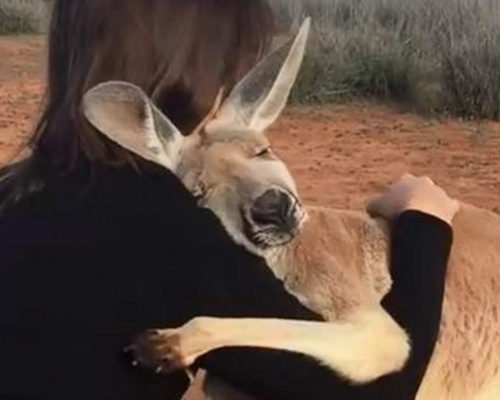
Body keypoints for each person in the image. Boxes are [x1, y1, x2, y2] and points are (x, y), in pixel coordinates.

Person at [0, 1, 457, 400]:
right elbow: (376, 388)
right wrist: (426, 225)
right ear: (193, 78)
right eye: (225, 68)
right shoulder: (177, 230)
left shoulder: (12, 189)